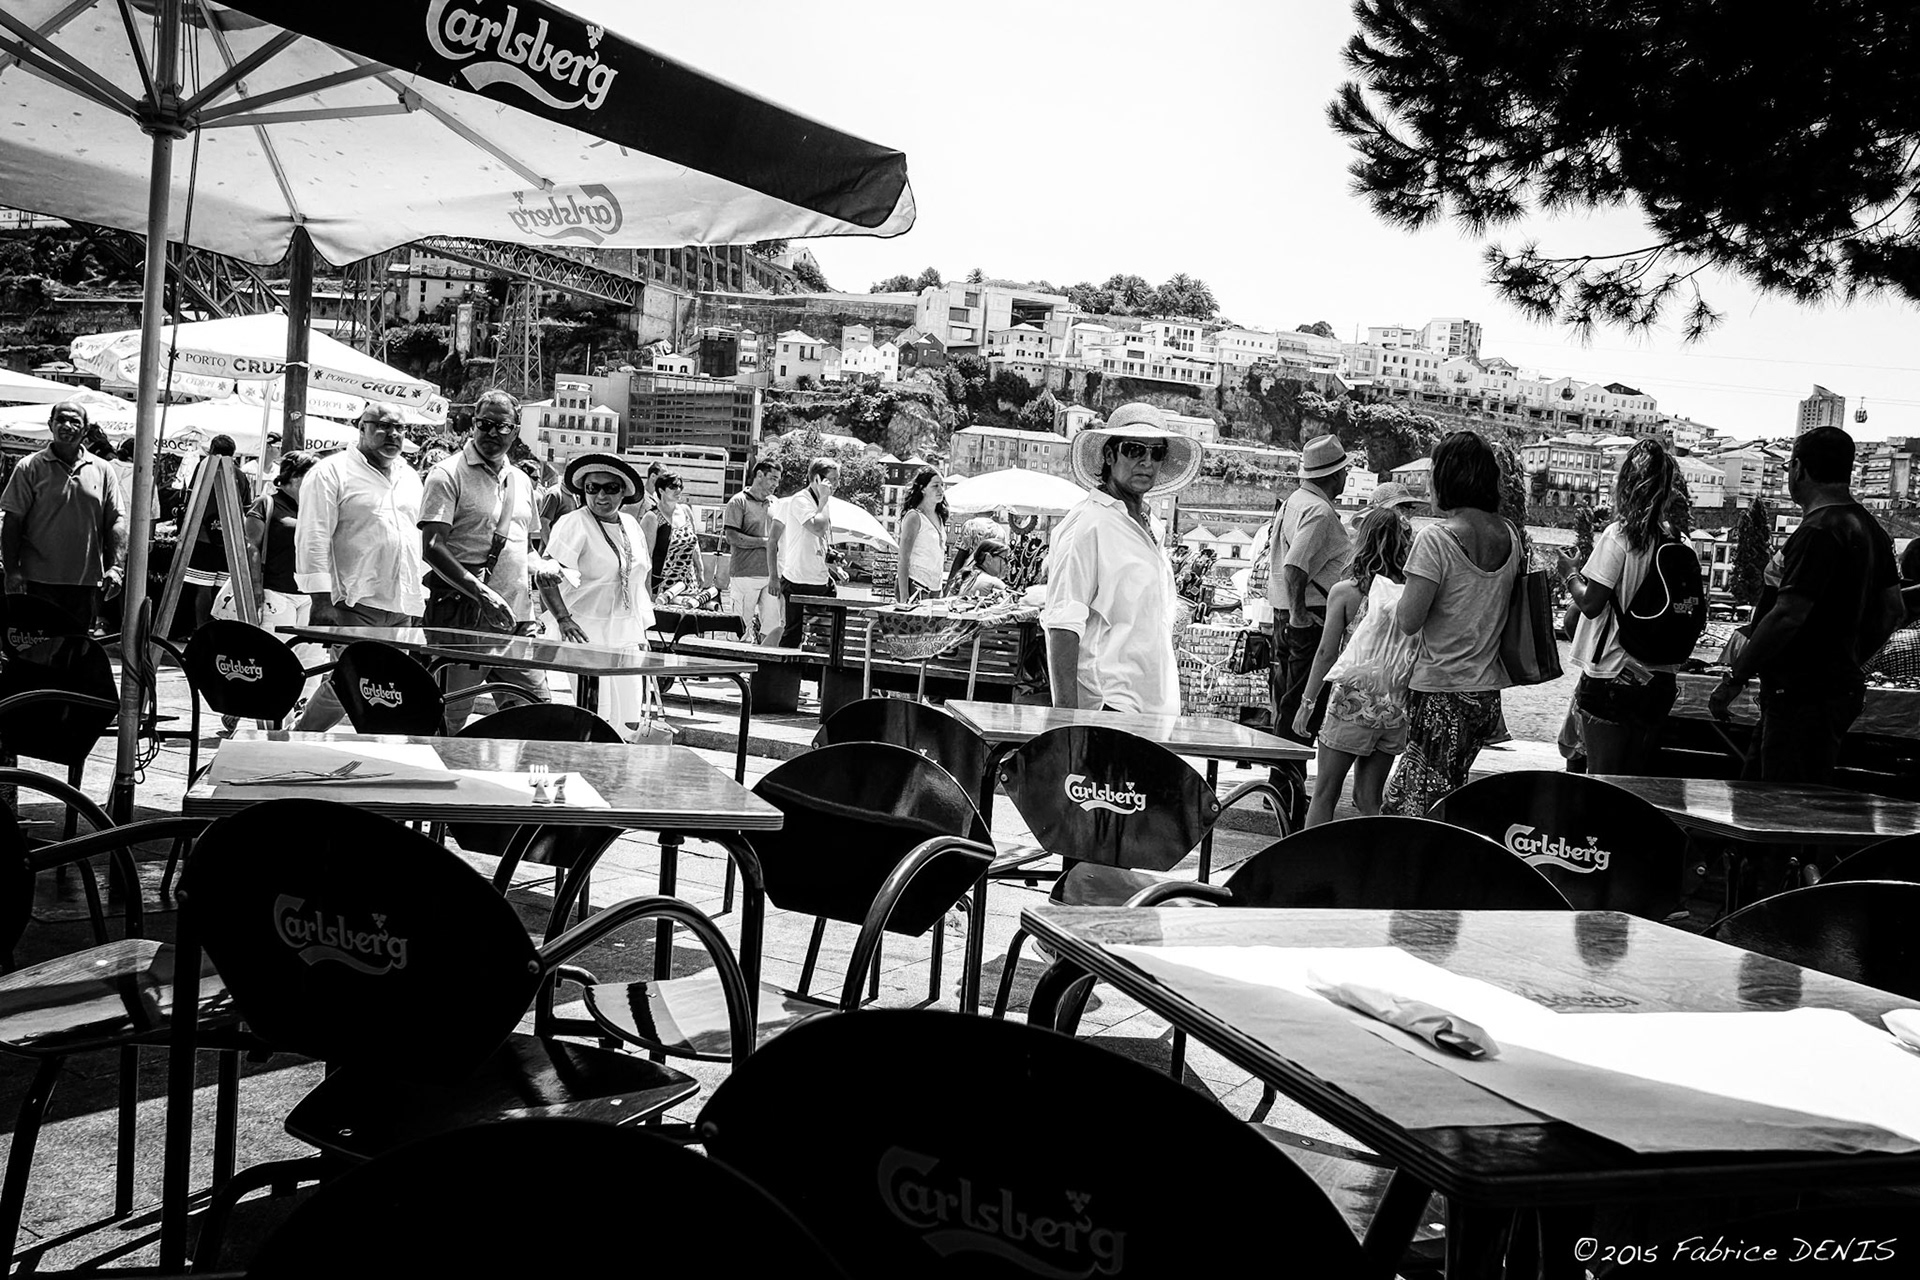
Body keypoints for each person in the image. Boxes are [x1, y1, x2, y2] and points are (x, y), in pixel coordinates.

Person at [1710, 425, 1902, 784]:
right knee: (1758, 792)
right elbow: (1893, 609)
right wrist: (1848, 659)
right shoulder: (1871, 529)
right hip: (1827, 692)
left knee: (1780, 802)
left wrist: (1736, 677)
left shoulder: (1817, 532)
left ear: (1798, 469)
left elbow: (1787, 615)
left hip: (1800, 696)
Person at [1383, 430, 1519, 817]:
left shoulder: (1436, 539)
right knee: (1445, 797)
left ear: (1446, 477)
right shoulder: (1509, 535)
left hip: (1441, 691)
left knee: (1407, 809)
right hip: (1485, 694)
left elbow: (1409, 620)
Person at [1041, 403, 1202, 714]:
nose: (1146, 461)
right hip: (1110, 704)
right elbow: (1062, 623)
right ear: (1109, 455)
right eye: (1134, 449)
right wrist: (1065, 721)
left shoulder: (1152, 527)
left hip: (1154, 706)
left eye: (1157, 453)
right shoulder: (1088, 524)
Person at [419, 389, 553, 732]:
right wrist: (482, 594)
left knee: (538, 717)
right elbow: (432, 546)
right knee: (446, 721)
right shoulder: (447, 474)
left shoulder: (521, 481)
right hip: (464, 619)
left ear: (516, 430)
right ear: (473, 425)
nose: (492, 432)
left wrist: (543, 567)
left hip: (517, 619)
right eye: (485, 424)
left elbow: (526, 548)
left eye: (502, 426)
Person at [292, 404, 429, 732]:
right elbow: (313, 536)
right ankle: (299, 737)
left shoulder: (410, 476)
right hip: (355, 601)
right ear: (361, 427)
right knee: (351, 684)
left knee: (387, 686)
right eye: (383, 426)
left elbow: (415, 536)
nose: (393, 434)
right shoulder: (331, 472)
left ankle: (378, 747)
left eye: (400, 428)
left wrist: (419, 594)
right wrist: (321, 600)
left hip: (402, 604)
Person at [1553, 439, 1686, 775]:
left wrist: (1570, 574)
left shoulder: (1619, 536)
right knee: (1634, 779)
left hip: (1613, 675)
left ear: (1625, 485)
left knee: (1602, 778)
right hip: (1659, 680)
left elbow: (1590, 604)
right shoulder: (1675, 540)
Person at [1294, 505, 1418, 827]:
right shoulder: (1412, 596)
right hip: (1394, 710)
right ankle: (1370, 857)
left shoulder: (1346, 593)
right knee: (1369, 800)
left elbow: (1326, 654)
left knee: (1325, 794)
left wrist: (1307, 703)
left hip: (1351, 707)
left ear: (1364, 541)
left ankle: (1311, 856)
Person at [1267, 434, 1354, 825]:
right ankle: (1286, 791)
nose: (1347, 476)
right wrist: (1301, 615)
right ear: (1333, 475)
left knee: (1288, 702)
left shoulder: (1295, 501)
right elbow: (1294, 566)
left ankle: (1282, 787)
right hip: (1310, 616)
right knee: (1303, 705)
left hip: (1285, 614)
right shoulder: (1319, 512)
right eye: (1344, 471)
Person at [539, 454, 656, 741]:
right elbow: (545, 576)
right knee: (597, 717)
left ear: (623, 492)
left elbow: (640, 579)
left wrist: (642, 629)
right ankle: (593, 767)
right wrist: (563, 619)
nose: (601, 496)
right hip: (585, 634)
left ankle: (620, 768)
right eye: (592, 488)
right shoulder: (574, 523)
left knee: (630, 718)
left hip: (626, 635)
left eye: (610, 488)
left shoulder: (631, 525)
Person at [1, 398, 126, 628]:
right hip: (37, 581)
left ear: (85, 430)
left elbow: (115, 521)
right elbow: (12, 521)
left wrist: (116, 567)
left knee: (76, 645)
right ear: (51, 425)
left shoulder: (103, 470)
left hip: (85, 583)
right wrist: (12, 571)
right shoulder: (29, 467)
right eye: (60, 420)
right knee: (38, 645)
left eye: (75, 421)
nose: (67, 426)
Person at [183, 434, 254, 630]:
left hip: (203, 537)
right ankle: (219, 631)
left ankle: (201, 629)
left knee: (203, 587)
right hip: (230, 539)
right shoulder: (241, 475)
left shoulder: (204, 468)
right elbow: (246, 509)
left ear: (212, 450)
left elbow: (190, 501)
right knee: (222, 589)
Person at [775, 458, 839, 648]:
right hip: (798, 579)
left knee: (825, 636)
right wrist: (824, 499)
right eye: (832, 479)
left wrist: (832, 560)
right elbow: (817, 528)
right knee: (793, 634)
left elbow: (817, 540)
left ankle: (819, 665)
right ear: (817, 479)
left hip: (818, 578)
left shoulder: (821, 502)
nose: (836, 484)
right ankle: (781, 666)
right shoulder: (801, 500)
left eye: (837, 479)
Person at [723, 460, 782, 644]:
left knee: (773, 631)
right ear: (759, 475)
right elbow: (731, 537)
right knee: (739, 632)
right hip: (744, 576)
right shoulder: (738, 501)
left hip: (772, 576)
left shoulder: (776, 503)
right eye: (773, 478)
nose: (776, 484)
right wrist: (764, 543)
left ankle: (765, 663)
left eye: (778, 480)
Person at [641, 470, 711, 603]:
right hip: (662, 588)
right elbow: (646, 557)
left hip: (689, 585)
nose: (678, 490)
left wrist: (700, 569)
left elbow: (694, 543)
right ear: (661, 490)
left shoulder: (686, 510)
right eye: (673, 487)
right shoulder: (652, 517)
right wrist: (647, 589)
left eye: (680, 486)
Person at [896, 468, 949, 601]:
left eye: (942, 485)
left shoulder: (939, 517)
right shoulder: (914, 517)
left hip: (935, 588)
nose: (941, 490)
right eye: (935, 486)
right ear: (923, 489)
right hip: (915, 584)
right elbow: (903, 558)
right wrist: (904, 597)